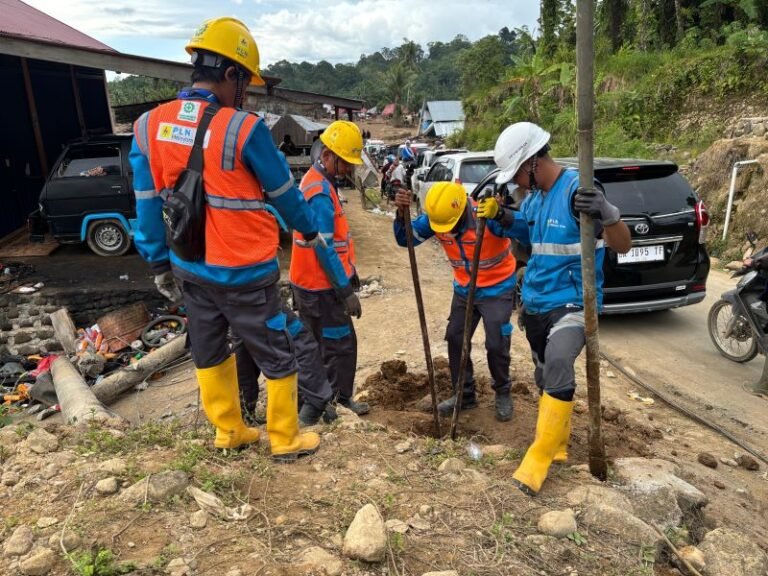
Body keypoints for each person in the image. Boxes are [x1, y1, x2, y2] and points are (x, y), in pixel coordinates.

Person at [129, 17, 321, 461]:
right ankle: (286, 438)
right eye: (246, 83)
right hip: (245, 271)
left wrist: (158, 262)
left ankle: (229, 431)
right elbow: (286, 196)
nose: (247, 95)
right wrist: (308, 232)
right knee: (275, 349)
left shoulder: (147, 126)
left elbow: (144, 204)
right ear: (231, 74)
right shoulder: (244, 129)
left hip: (189, 266)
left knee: (210, 347)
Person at [478, 121, 631, 495]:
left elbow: (622, 245)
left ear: (533, 162)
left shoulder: (577, 192)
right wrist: (501, 216)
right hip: (535, 305)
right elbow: (529, 234)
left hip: (573, 304)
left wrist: (608, 214)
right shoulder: (534, 199)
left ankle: (540, 455)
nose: (516, 183)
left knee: (561, 361)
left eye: (518, 174)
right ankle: (559, 445)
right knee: (546, 377)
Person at [392, 182, 519, 422]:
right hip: (464, 289)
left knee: (496, 342)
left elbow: (524, 230)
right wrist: (401, 214)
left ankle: (503, 391)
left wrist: (503, 215)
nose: (447, 231)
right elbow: (405, 239)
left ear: (462, 210)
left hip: (498, 287)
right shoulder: (439, 217)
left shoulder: (485, 215)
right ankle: (464, 394)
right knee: (455, 337)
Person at [289, 120, 370, 416]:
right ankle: (336, 401)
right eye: (345, 163)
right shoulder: (320, 192)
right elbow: (324, 247)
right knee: (340, 345)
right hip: (321, 287)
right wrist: (344, 289)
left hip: (308, 284)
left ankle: (318, 401)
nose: (348, 170)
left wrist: (350, 271)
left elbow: (337, 242)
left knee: (314, 347)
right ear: (327, 156)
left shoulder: (318, 182)